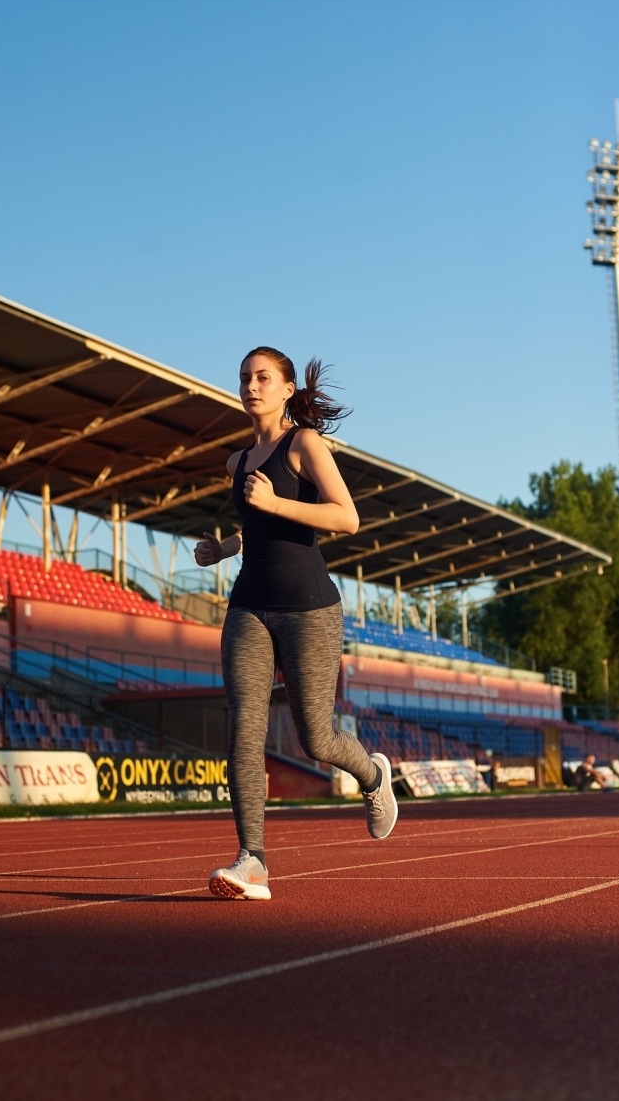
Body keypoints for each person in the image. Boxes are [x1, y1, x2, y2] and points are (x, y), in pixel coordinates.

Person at [194, 347, 397, 900]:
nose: (251, 386)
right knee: (245, 730)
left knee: (315, 738)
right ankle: (252, 861)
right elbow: (257, 529)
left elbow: (346, 517)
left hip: (309, 607)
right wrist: (224, 548)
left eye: (263, 378)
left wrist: (279, 503)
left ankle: (373, 776)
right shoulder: (237, 463)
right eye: (244, 378)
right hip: (248, 607)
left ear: (286, 389)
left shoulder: (305, 444)